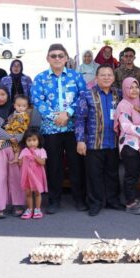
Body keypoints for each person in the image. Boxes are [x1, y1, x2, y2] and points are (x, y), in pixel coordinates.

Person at [31, 44, 88, 214]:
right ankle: (54, 200)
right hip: (51, 130)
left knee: (76, 164)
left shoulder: (75, 76)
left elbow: (83, 96)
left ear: (66, 58)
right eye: (53, 56)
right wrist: (55, 116)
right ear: (48, 58)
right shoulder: (40, 78)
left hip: (73, 128)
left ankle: (79, 198)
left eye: (60, 56)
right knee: (54, 165)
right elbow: (37, 101)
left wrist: (68, 113)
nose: (57, 59)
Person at [75, 64, 123, 216]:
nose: (107, 77)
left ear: (114, 78)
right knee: (94, 175)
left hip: (113, 142)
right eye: (103, 75)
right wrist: (80, 140)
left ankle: (112, 200)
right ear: (96, 78)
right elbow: (79, 119)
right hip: (93, 142)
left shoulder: (119, 94)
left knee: (112, 173)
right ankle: (95, 203)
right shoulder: (87, 95)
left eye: (109, 75)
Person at [0, 84, 30, 219]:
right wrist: (11, 137)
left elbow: (22, 128)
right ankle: (0, 207)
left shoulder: (16, 109)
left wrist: (17, 138)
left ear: (8, 95)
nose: (0, 98)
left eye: (3, 94)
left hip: (14, 148)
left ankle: (18, 204)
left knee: (15, 176)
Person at [115, 77, 140, 215]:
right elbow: (126, 127)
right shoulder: (123, 105)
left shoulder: (138, 103)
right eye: (131, 87)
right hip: (129, 146)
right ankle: (130, 203)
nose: (134, 90)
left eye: (136, 87)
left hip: (139, 146)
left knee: (136, 174)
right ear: (125, 89)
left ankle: (133, 199)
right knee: (130, 175)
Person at [18, 130, 48, 219]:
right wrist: (21, 156)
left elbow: (42, 162)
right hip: (27, 176)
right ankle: (29, 209)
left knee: (38, 193)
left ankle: (38, 209)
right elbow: (20, 164)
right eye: (29, 140)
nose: (31, 143)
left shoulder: (41, 150)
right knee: (28, 193)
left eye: (34, 140)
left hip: (37, 176)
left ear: (39, 141)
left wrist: (34, 156)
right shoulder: (24, 151)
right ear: (25, 142)